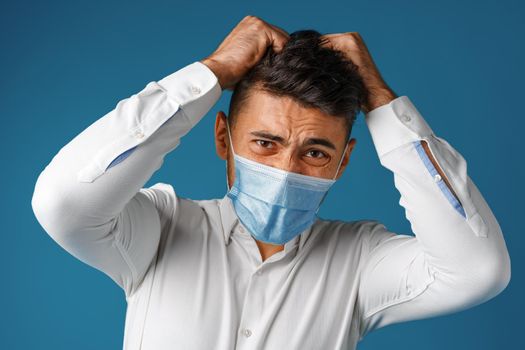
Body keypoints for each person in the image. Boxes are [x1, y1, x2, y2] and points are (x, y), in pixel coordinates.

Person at [31, 15, 511, 350]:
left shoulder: (361, 264)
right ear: (224, 138)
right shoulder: (159, 229)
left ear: (343, 162)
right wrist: (212, 74)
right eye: (264, 143)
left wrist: (382, 101)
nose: (285, 171)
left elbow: (479, 270)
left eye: (315, 152)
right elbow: (64, 202)